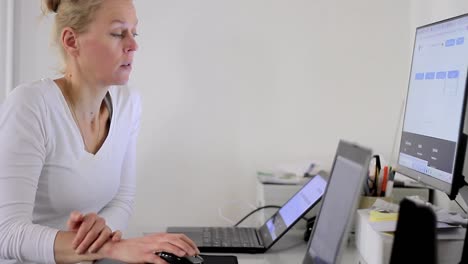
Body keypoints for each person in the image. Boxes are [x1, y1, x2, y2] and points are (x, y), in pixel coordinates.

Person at [0, 0, 199, 263]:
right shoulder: (31, 105)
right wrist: (107, 247)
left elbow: (122, 199)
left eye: (134, 33)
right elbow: (7, 234)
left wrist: (99, 232)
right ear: (72, 41)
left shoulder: (129, 104)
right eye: (118, 33)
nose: (133, 45)